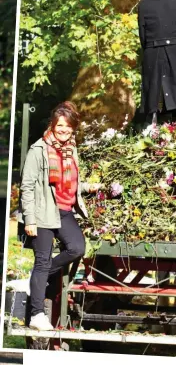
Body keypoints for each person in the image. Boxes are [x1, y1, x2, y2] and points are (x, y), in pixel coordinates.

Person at [20, 101, 95, 331]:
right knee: (42, 261)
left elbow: (69, 183)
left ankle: (38, 278)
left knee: (77, 248)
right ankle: (37, 315)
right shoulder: (39, 150)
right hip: (42, 213)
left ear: (73, 128)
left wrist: (88, 187)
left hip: (64, 211)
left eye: (68, 126)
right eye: (59, 126)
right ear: (52, 125)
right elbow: (27, 186)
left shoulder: (71, 150)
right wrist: (29, 219)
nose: (63, 130)